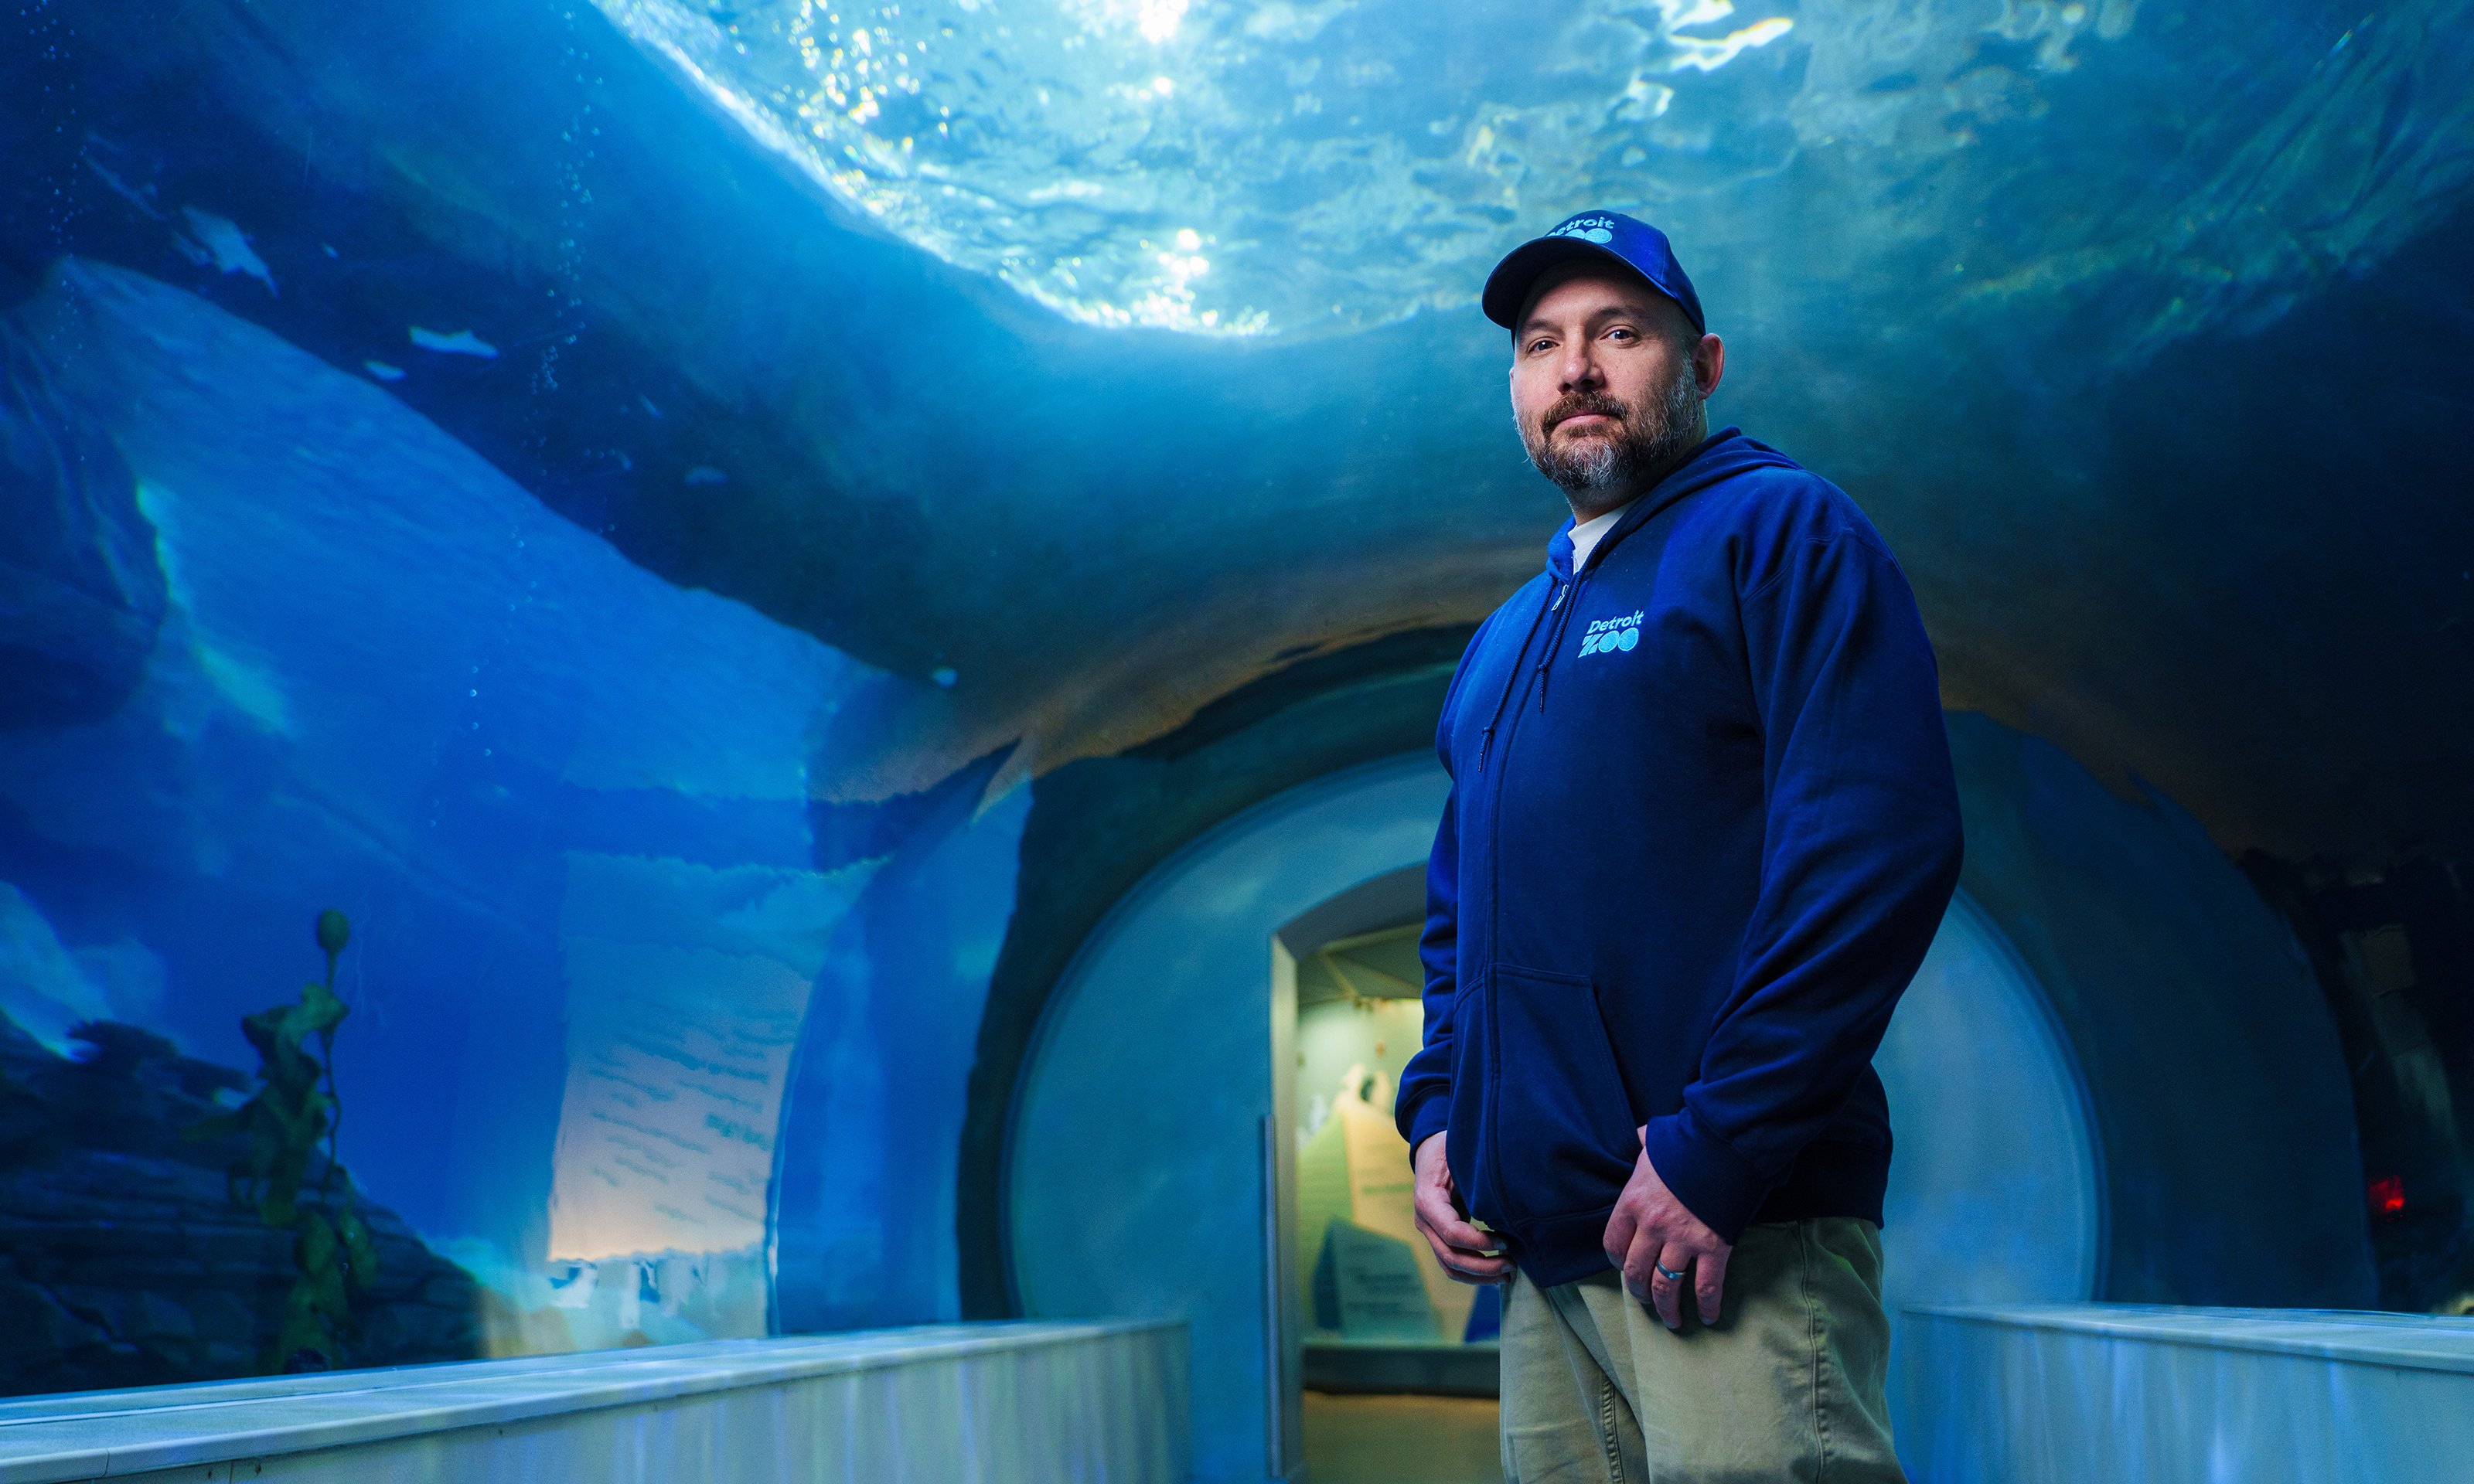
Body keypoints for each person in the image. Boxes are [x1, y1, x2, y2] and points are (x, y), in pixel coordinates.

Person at [1393, 209, 1965, 1483]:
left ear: (1701, 364)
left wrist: (1721, 1148)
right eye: (1543, 344)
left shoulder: (1784, 536)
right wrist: (1438, 1119)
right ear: (1517, 391)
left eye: (1619, 332)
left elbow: (1876, 851)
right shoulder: (1499, 645)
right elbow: (1455, 920)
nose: (1576, 366)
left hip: (1729, 1228)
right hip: (1541, 1256)